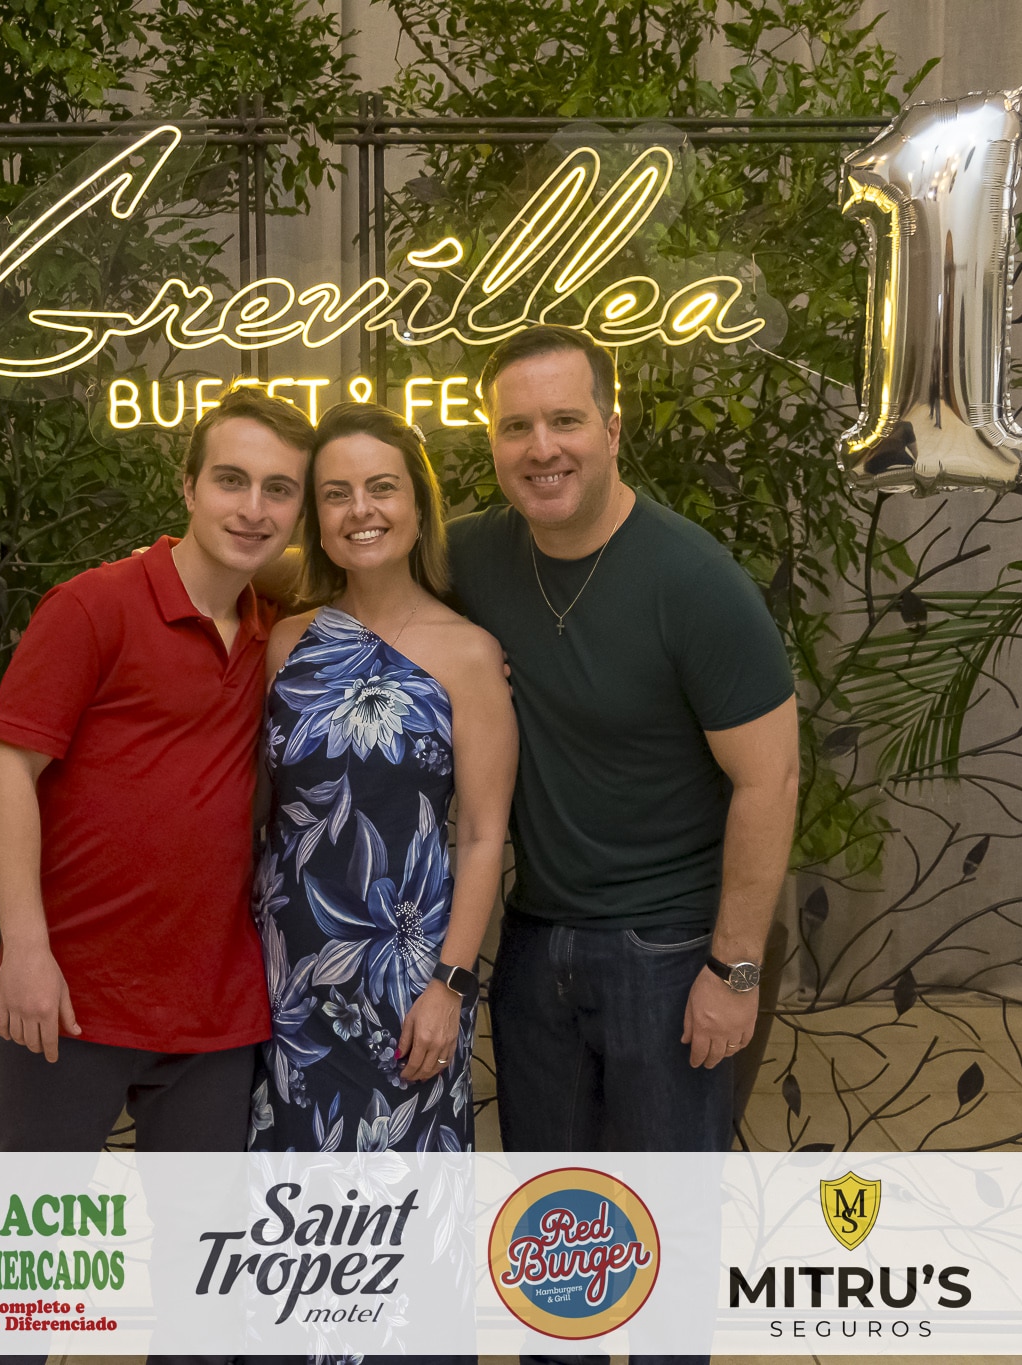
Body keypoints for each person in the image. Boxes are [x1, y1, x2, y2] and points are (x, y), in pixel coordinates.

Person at [452, 324, 799, 1365]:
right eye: (516, 427)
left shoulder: (692, 580)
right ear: (491, 441)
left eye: (564, 420)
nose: (541, 447)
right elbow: (347, 566)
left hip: (668, 952)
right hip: (535, 943)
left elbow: (770, 779)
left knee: (664, 1241)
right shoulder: (472, 556)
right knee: (553, 1239)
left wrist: (733, 969)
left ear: (611, 428)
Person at [0, 386, 313, 1154]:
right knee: (34, 1225)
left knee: (203, 1230)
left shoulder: (274, 628)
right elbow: (5, 772)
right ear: (188, 487)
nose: (252, 508)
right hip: (69, 989)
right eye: (231, 480)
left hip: (213, 1008)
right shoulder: (93, 606)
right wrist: (25, 949)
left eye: (279, 490)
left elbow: (379, 567)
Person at [248, 403, 517, 1157]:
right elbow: (260, 812)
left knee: (403, 1193)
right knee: (288, 1199)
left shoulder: (470, 653)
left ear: (419, 506)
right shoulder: (286, 643)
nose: (360, 509)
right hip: (283, 973)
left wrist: (450, 986)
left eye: (382, 487)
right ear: (317, 519)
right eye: (336, 494)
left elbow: (484, 834)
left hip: (407, 978)